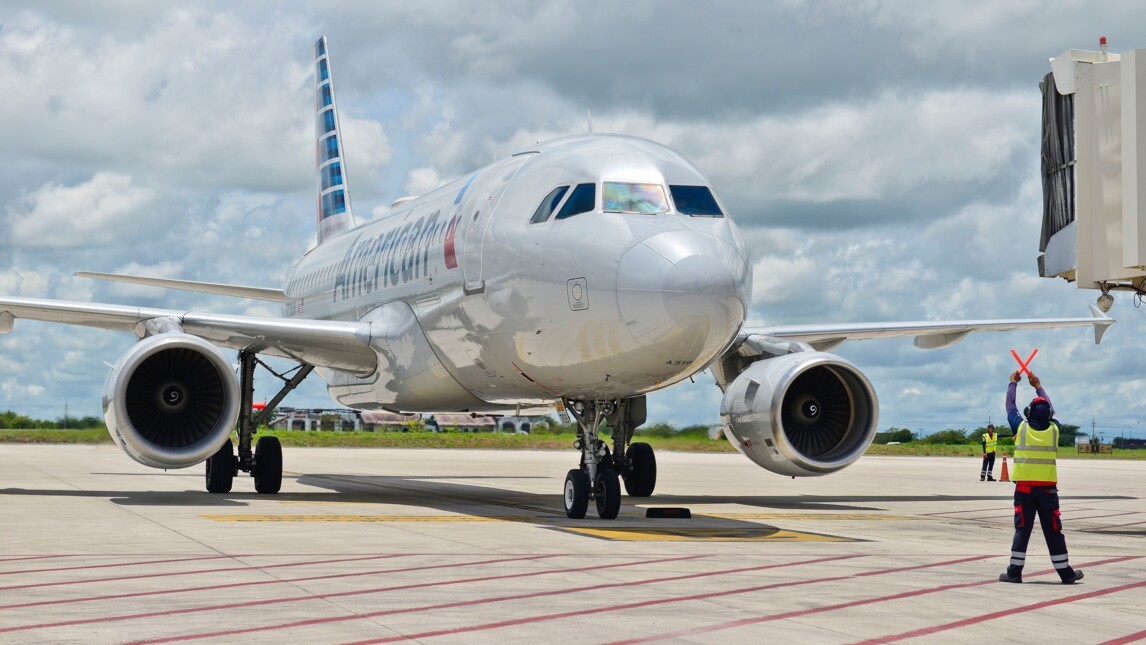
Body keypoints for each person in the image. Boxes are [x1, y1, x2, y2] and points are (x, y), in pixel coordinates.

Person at [999, 370, 1084, 584]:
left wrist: (1013, 384)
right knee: (1054, 531)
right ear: (1048, 415)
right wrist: (1038, 386)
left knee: (1022, 531)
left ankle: (1014, 572)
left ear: (1028, 413)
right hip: (1048, 491)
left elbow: (1010, 406)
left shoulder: (1021, 427)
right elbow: (1052, 411)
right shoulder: (1054, 430)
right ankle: (1065, 573)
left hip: (1025, 490)